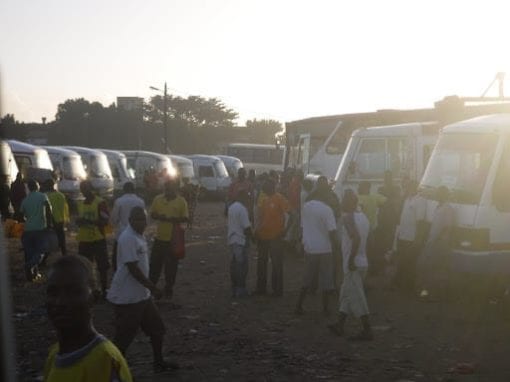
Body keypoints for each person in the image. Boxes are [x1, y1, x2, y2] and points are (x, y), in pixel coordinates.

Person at [108, 207, 178, 373]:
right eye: (137, 219)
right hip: (128, 296)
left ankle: (158, 362)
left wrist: (149, 290)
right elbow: (132, 268)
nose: (141, 223)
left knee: (157, 329)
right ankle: (113, 371)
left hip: (142, 295)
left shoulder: (138, 235)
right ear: (131, 220)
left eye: (143, 220)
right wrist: (153, 287)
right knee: (124, 337)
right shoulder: (127, 238)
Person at [44, 255, 132, 382]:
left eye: (74, 292)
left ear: (94, 298)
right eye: (53, 292)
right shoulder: (54, 354)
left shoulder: (104, 360)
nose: (60, 302)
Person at [328, 190, 373, 341]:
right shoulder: (364, 217)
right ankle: (339, 325)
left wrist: (351, 259)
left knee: (358, 297)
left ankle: (367, 329)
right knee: (346, 295)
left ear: (348, 203)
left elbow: (356, 238)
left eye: (343, 201)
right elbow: (367, 239)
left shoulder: (348, 218)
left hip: (354, 263)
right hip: (362, 261)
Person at [294, 192, 339, 315]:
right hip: (325, 249)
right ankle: (325, 308)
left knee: (307, 278)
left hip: (310, 247)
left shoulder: (306, 207)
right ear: (327, 197)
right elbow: (332, 231)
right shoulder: (327, 210)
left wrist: (302, 242)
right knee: (326, 279)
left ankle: (298, 305)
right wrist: (336, 247)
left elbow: (303, 226)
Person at [149, 178, 189, 301]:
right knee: (155, 265)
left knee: (171, 268)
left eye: (170, 189)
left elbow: (185, 219)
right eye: (166, 188)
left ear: (175, 189)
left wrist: (171, 219)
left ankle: (168, 290)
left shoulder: (181, 201)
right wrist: (159, 216)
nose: (168, 191)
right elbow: (152, 214)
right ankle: (152, 289)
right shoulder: (157, 199)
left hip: (173, 240)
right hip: (159, 238)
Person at [254, 179, 290, 296]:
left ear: (271, 187)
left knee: (276, 264)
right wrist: (257, 232)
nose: (263, 187)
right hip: (263, 236)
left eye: (265, 186)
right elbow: (261, 218)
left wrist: (285, 231)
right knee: (262, 263)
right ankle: (261, 289)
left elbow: (291, 215)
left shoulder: (279, 198)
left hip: (276, 236)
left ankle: (277, 290)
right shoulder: (265, 200)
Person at [419, 186, 454, 300]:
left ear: (444, 195)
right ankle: (431, 294)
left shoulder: (448, 208)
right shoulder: (438, 207)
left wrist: (439, 240)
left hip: (440, 243)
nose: (437, 196)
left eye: (439, 194)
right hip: (432, 242)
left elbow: (447, 227)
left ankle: (436, 295)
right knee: (430, 269)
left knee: (437, 270)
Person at [76, 180, 110, 299]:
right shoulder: (81, 203)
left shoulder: (100, 202)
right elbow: (79, 219)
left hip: (98, 238)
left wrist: (89, 221)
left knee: (102, 266)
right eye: (82, 189)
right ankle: (91, 290)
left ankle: (104, 290)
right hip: (84, 239)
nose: (84, 192)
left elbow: (105, 221)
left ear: (91, 188)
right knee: (85, 266)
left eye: (85, 189)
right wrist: (79, 222)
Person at [392, 180, 426, 293]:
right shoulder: (407, 200)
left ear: (414, 187)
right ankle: (400, 286)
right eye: (405, 187)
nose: (406, 189)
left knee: (410, 264)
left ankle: (409, 288)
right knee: (402, 262)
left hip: (412, 239)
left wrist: (418, 240)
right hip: (403, 237)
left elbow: (420, 223)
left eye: (408, 187)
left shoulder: (420, 201)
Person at [20, 179, 53, 282]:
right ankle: (28, 266)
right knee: (41, 252)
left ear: (29, 188)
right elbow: (48, 210)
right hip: (40, 228)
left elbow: (21, 216)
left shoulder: (25, 200)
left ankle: (33, 275)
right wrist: (49, 224)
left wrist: (28, 220)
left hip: (28, 230)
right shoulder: (42, 196)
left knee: (30, 253)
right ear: (37, 186)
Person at [110, 182, 145, 270]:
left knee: (118, 257)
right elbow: (144, 218)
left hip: (122, 233)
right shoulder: (140, 201)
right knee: (137, 255)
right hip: (137, 234)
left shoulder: (119, 201)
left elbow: (114, 219)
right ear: (134, 190)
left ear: (124, 190)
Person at [227, 190, 252, 298]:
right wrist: (253, 238)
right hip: (240, 240)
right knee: (241, 266)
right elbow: (247, 227)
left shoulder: (232, 207)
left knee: (234, 265)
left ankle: (234, 288)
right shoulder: (242, 209)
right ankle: (240, 289)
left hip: (232, 239)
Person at [45, 179, 69, 256]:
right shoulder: (61, 195)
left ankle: (45, 259)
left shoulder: (46, 196)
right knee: (61, 238)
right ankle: (64, 254)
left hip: (49, 220)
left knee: (48, 239)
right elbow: (65, 209)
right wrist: (64, 220)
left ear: (48, 186)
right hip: (60, 220)